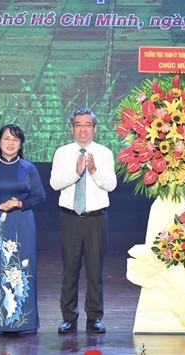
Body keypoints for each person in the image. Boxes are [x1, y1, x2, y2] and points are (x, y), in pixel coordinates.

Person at [0, 124, 46, 334]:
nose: (11, 143)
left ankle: (24, 322)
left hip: (22, 221)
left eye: (15, 139)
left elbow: (40, 196)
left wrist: (21, 204)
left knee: (23, 269)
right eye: (6, 138)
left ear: (21, 144)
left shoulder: (28, 168)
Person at [50, 108, 117, 334]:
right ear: (72, 128)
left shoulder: (105, 153)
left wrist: (94, 170)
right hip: (70, 219)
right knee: (70, 270)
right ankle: (68, 317)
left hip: (96, 220)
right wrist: (76, 172)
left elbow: (111, 184)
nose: (82, 129)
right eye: (78, 124)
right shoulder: (62, 152)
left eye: (87, 124)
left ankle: (94, 318)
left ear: (95, 128)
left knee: (94, 271)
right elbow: (55, 183)